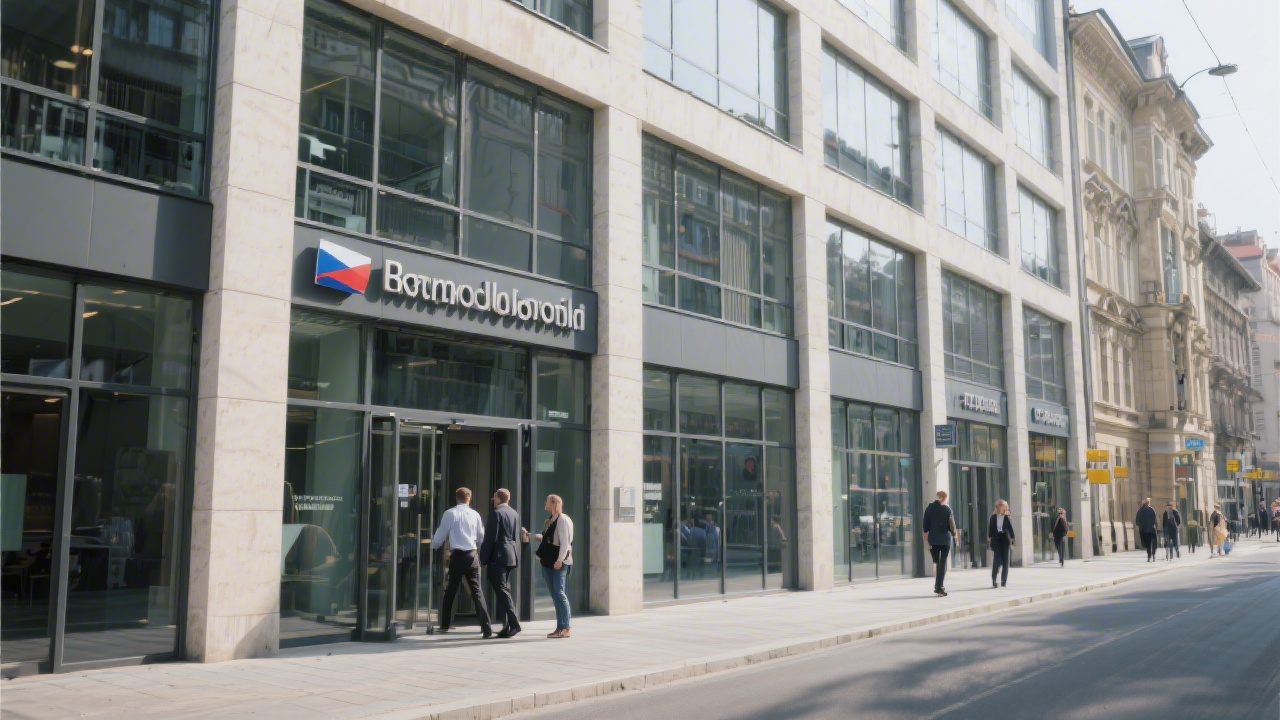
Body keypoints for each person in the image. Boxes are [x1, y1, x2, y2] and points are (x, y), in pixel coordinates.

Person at [432, 487, 492, 638]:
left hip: (458, 556)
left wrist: (433, 546)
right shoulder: (475, 514)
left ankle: (445, 624)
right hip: (473, 555)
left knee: (451, 591)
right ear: (469, 498)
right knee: (477, 592)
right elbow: (481, 536)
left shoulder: (450, 513)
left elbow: (441, 534)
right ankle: (486, 628)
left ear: (456, 498)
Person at [479, 488, 523, 639]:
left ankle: (514, 623)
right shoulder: (514, 513)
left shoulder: (496, 513)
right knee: (504, 589)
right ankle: (508, 626)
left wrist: (483, 558)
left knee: (502, 590)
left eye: (494, 498)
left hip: (498, 556)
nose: (493, 500)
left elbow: (490, 537)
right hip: (511, 555)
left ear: (498, 499)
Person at [534, 494, 574, 639]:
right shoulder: (550, 520)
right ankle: (559, 627)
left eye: (548, 501)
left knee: (559, 593)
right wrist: (532, 536)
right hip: (548, 561)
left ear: (554, 504)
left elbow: (565, 542)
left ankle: (566, 627)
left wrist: (560, 560)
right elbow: (548, 539)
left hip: (558, 562)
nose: (545, 503)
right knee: (555, 595)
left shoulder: (562, 519)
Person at [922, 490, 959, 597]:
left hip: (933, 540)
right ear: (944, 498)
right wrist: (955, 534)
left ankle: (938, 586)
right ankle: (939, 587)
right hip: (945, 540)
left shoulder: (929, 509)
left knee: (937, 562)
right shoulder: (947, 509)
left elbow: (925, 527)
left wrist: (926, 541)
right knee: (943, 563)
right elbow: (952, 526)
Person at [986, 499, 1014, 588]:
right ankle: (994, 579)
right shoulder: (993, 517)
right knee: (997, 560)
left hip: (1005, 539)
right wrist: (989, 541)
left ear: (1005, 507)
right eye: (999, 505)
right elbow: (990, 530)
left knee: (1005, 561)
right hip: (996, 539)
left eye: (1003, 505)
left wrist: (1013, 540)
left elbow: (1010, 529)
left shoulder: (1007, 517)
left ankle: (1003, 580)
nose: (1001, 507)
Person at [1135, 498, 1158, 563]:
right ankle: (1153, 554)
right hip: (1151, 529)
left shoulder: (1140, 510)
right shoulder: (1151, 509)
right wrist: (1156, 526)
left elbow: (1137, 521)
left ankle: (1149, 556)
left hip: (1144, 530)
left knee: (1148, 544)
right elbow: (1155, 519)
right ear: (1149, 503)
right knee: (1154, 542)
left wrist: (1140, 526)